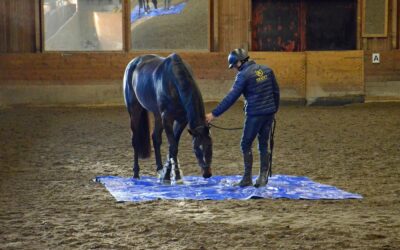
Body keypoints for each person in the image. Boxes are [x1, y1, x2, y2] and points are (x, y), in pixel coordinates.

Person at [205, 48, 280, 187]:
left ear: (239, 62)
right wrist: (274, 110)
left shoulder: (243, 75)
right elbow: (276, 92)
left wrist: (214, 114)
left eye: (234, 66)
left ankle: (247, 178)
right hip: (269, 114)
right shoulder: (267, 70)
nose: (234, 69)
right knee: (263, 144)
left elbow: (231, 97)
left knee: (245, 144)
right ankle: (263, 177)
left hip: (254, 115)